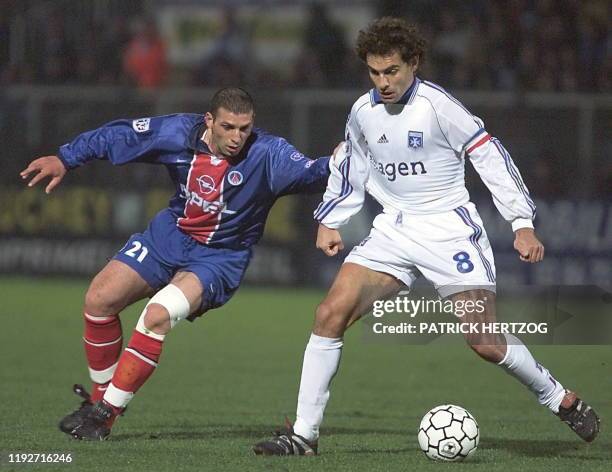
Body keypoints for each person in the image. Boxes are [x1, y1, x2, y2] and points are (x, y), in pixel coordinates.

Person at [253, 17, 600, 456]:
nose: (383, 82)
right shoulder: (363, 111)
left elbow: (491, 157)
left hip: (448, 232)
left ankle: (559, 398)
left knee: (484, 341)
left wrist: (521, 222)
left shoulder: (439, 107)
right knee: (329, 313)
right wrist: (331, 217)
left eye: (392, 71)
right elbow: (351, 163)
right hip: (393, 231)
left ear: (413, 63)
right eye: (375, 73)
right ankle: (304, 435)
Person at [20, 87, 332, 441]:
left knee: (157, 315)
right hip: (169, 235)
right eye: (228, 127)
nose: (237, 137)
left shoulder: (269, 154)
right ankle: (98, 402)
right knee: (98, 299)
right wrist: (65, 158)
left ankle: (104, 415)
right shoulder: (177, 133)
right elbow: (118, 135)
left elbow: (312, 173)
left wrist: (337, 163)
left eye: (244, 128)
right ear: (209, 120)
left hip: (220, 257)